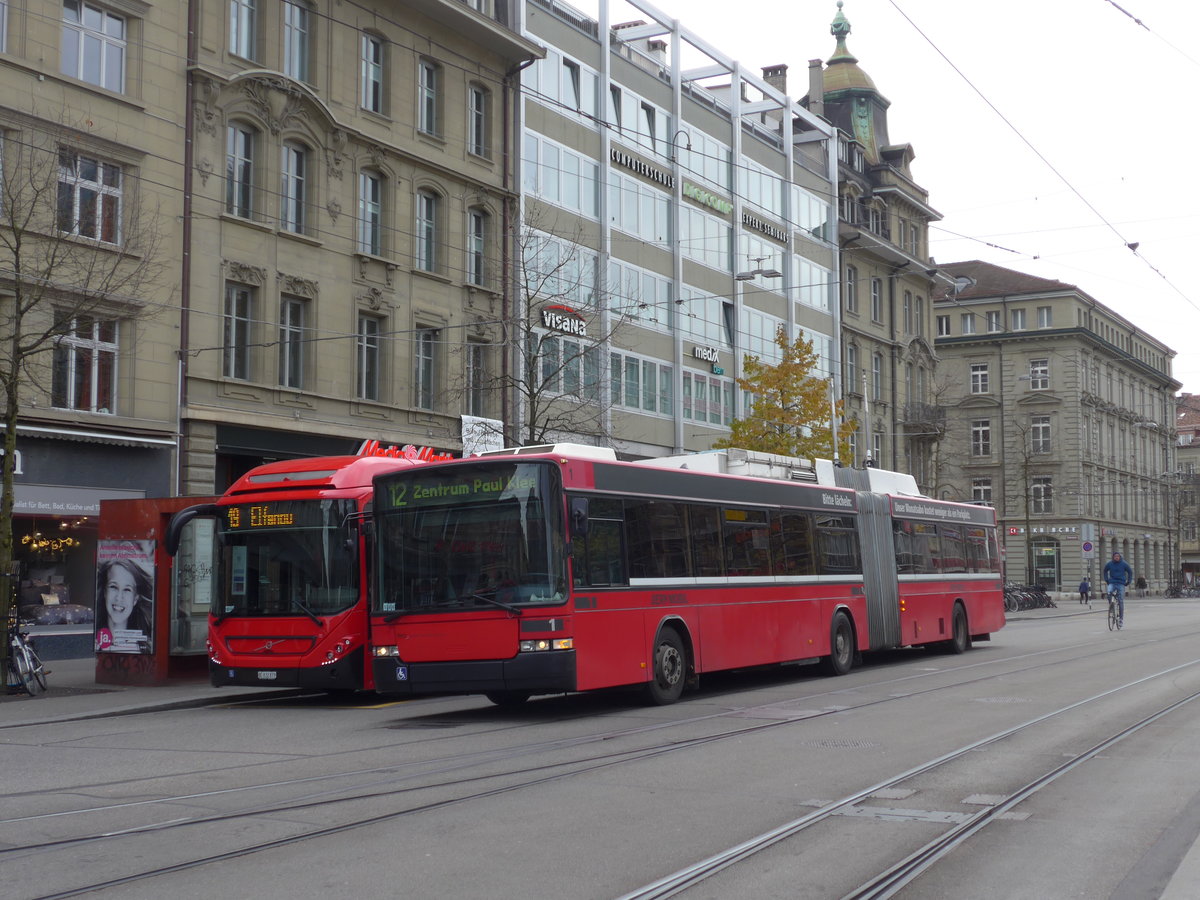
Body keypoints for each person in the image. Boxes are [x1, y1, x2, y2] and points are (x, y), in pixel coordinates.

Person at [95, 558, 153, 653]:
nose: (119, 597)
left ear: (135, 599)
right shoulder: (94, 642)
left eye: (127, 589)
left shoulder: (145, 649)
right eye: (113, 587)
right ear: (105, 592)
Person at [1103, 552, 1133, 625]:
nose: (1116, 557)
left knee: (1120, 600)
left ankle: (1121, 619)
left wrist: (1128, 581)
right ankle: (1111, 607)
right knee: (1109, 592)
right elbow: (1105, 570)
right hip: (1112, 582)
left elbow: (1130, 572)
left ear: (1120, 557)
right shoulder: (1110, 564)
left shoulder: (1124, 564)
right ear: (1113, 557)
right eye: (1115, 556)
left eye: (1118, 556)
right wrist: (1106, 579)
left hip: (1120, 583)